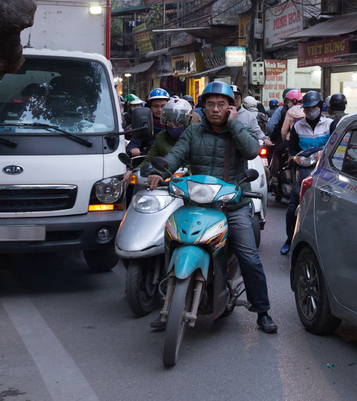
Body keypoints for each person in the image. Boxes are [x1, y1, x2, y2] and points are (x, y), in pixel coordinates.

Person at [147, 81, 277, 334]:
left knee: (249, 257)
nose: (215, 109)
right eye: (210, 104)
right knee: (172, 242)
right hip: (198, 205)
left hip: (234, 206)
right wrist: (160, 172)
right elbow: (176, 155)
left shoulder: (238, 129)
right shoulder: (193, 132)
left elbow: (251, 151)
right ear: (202, 108)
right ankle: (170, 302)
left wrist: (235, 123)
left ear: (231, 107)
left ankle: (262, 310)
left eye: (221, 104)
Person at [280, 91, 333, 255]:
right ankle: (289, 238)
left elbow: (338, 147)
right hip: (303, 169)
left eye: (313, 107)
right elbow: (293, 148)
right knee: (294, 201)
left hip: (326, 170)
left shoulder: (330, 124)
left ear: (320, 107)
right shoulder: (297, 126)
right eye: (307, 108)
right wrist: (292, 158)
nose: (311, 111)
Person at [123, 98, 192, 181]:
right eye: (169, 123)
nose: (173, 127)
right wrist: (135, 171)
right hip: (162, 180)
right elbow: (150, 159)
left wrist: (189, 172)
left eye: (178, 123)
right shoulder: (161, 136)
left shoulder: (194, 136)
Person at [269, 89, 302, 184]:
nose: (287, 104)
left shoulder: (290, 111)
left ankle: (274, 178)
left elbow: (284, 130)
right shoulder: (306, 110)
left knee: (276, 153)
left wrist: (284, 140)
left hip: (290, 141)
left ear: (294, 100)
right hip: (303, 141)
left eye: (288, 102)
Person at [126, 88, 169, 157]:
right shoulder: (144, 124)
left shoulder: (173, 123)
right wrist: (133, 149)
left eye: (163, 106)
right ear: (149, 107)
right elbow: (136, 140)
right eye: (156, 106)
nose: (160, 110)